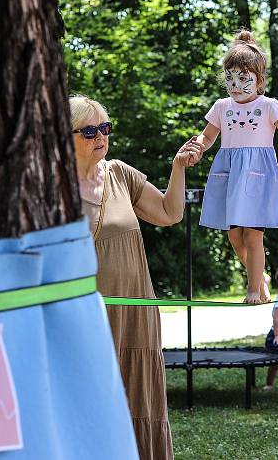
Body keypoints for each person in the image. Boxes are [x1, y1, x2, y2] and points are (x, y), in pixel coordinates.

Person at [71, 95, 199, 460]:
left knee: (138, 398)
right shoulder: (49, 189)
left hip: (136, 311)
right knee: (89, 396)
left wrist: (178, 167)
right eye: (90, 130)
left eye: (105, 128)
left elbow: (168, 212)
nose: (101, 137)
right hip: (87, 315)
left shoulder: (120, 174)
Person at [183, 30, 278, 304]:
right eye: (230, 78)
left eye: (243, 78)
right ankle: (258, 275)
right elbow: (208, 136)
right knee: (233, 234)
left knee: (253, 233)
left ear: (259, 80)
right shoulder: (221, 106)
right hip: (228, 172)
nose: (235, 85)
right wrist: (197, 148)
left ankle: (254, 288)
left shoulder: (269, 106)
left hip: (257, 175)